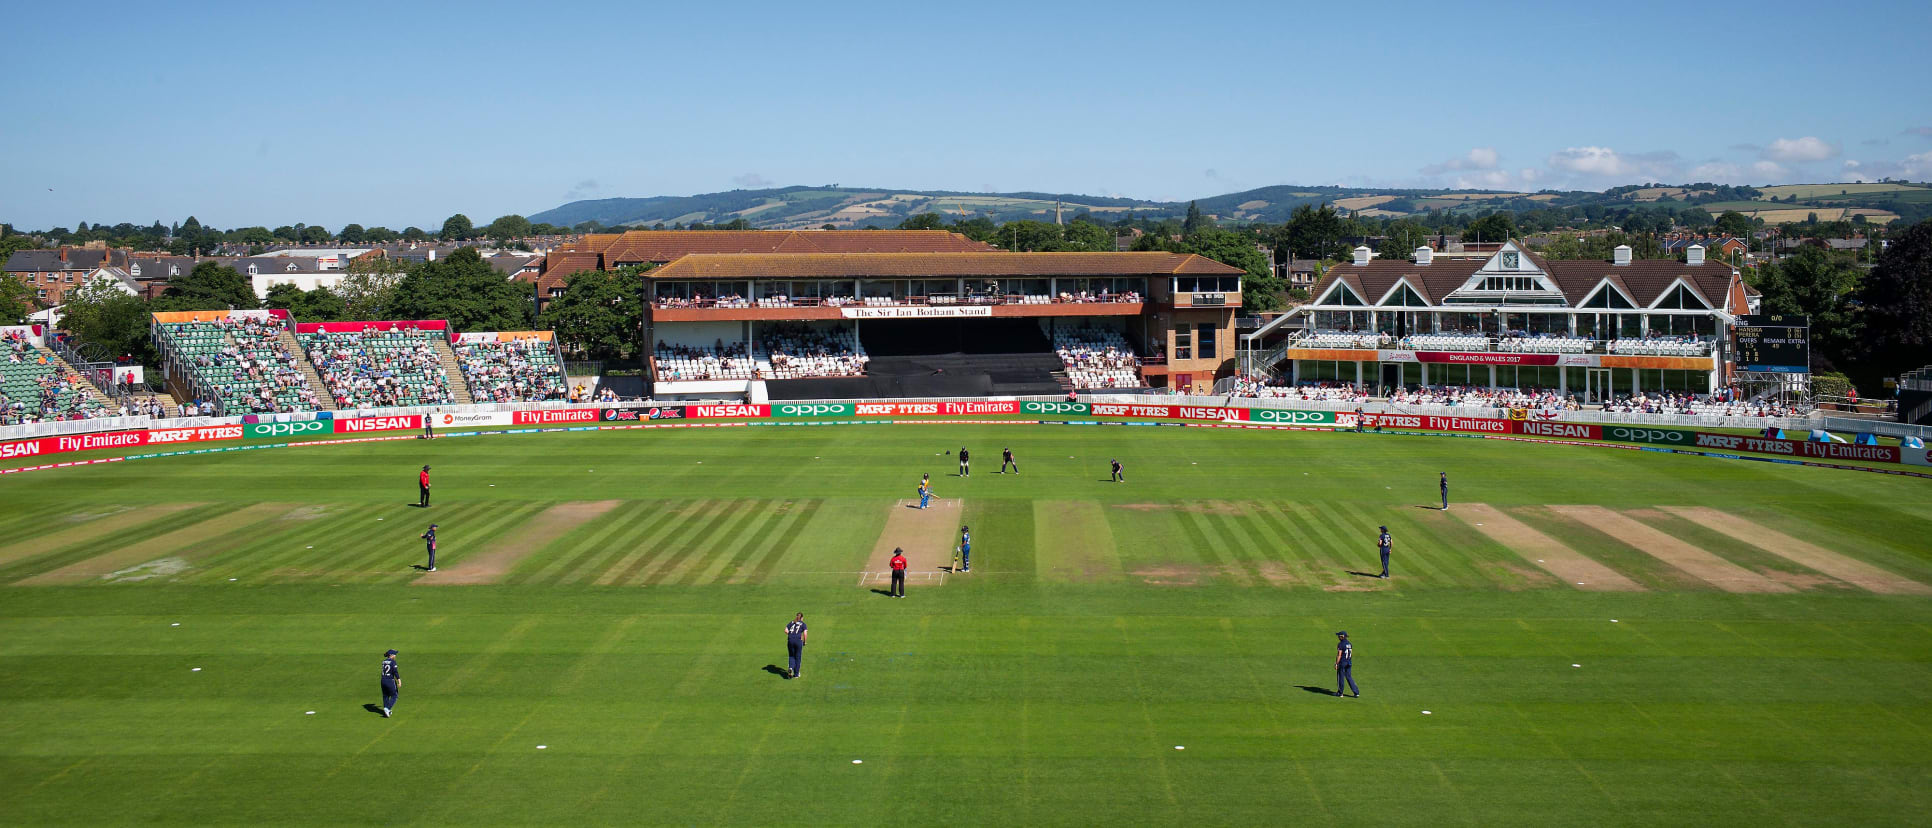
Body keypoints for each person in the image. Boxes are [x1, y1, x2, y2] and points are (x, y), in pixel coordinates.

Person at [784, 613, 808, 679]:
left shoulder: (792, 622)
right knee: (798, 657)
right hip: (798, 641)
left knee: (791, 655)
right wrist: (804, 642)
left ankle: (791, 667)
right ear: (802, 618)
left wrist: (791, 635)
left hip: (790, 640)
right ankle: (796, 674)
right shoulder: (803, 624)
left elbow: (785, 630)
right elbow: (805, 633)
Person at [1335, 632, 1358, 698]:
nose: (1338, 637)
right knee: (1349, 677)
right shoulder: (1349, 644)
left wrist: (1336, 663)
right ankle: (1356, 692)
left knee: (1340, 677)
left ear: (1342, 637)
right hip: (1349, 662)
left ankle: (1340, 693)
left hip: (1342, 662)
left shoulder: (1340, 644)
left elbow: (1339, 654)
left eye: (1339, 636)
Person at [379, 649, 402, 717]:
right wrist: (399, 680)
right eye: (394, 654)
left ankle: (387, 711)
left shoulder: (384, 661)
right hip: (390, 680)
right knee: (395, 696)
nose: (395, 655)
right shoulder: (393, 662)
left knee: (385, 695)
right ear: (391, 655)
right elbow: (395, 672)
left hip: (383, 680)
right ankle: (387, 708)